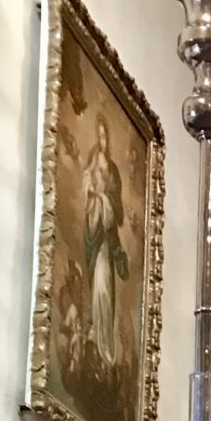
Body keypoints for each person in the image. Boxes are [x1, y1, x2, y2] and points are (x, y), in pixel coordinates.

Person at [82, 113, 128, 369]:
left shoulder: (113, 171)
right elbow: (88, 202)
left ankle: (105, 345)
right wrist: (92, 196)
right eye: (98, 135)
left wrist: (103, 199)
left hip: (106, 246)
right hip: (95, 240)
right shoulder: (92, 165)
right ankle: (98, 342)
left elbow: (116, 214)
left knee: (104, 290)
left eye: (104, 135)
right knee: (97, 288)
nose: (101, 140)